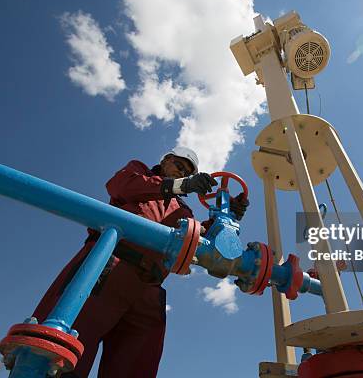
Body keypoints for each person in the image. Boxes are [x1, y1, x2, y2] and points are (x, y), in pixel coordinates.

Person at [32, 147, 249, 378]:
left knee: (136, 366)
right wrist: (178, 186)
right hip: (107, 268)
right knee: (62, 355)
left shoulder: (182, 210)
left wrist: (225, 216)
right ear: (166, 160)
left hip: (149, 289)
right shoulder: (139, 173)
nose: (182, 173)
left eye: (187, 172)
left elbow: (196, 239)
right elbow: (119, 185)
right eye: (179, 166)